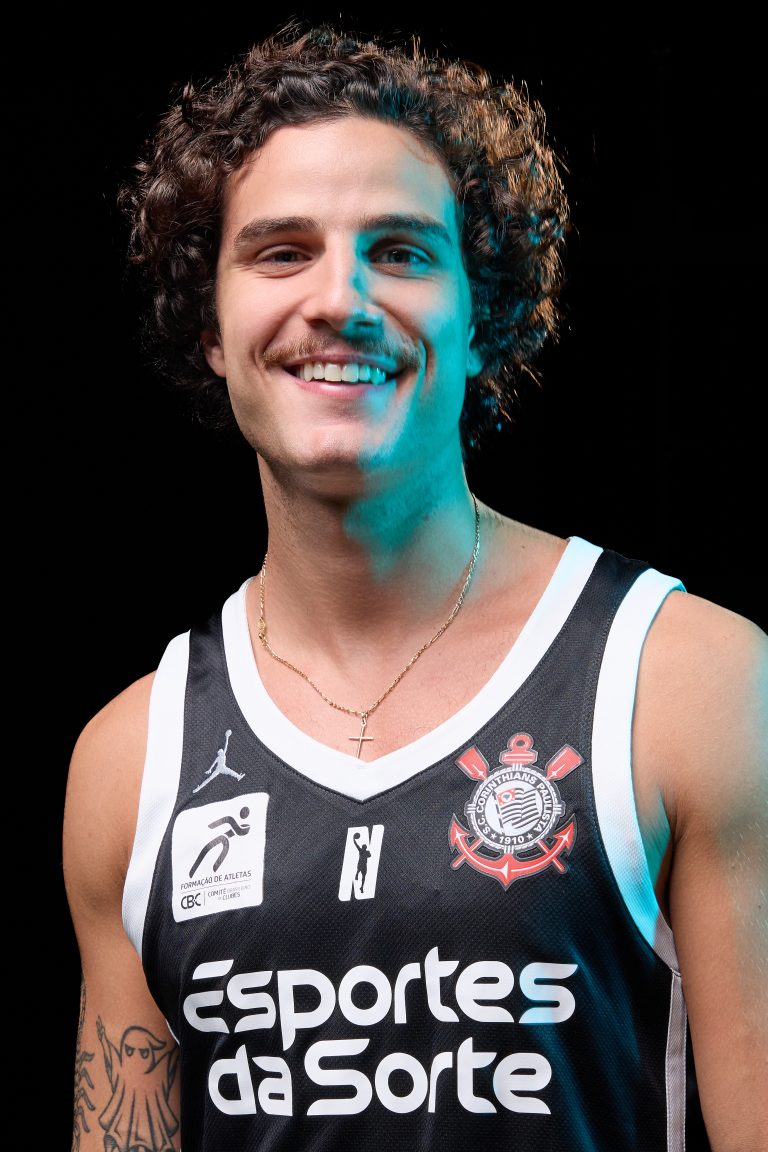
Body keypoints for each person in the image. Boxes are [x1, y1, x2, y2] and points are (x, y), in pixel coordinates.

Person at [63, 19, 767, 1152]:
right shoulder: (129, 761)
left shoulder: (695, 683)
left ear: (482, 313)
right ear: (210, 327)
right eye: (281, 253)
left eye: (400, 252)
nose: (340, 299)